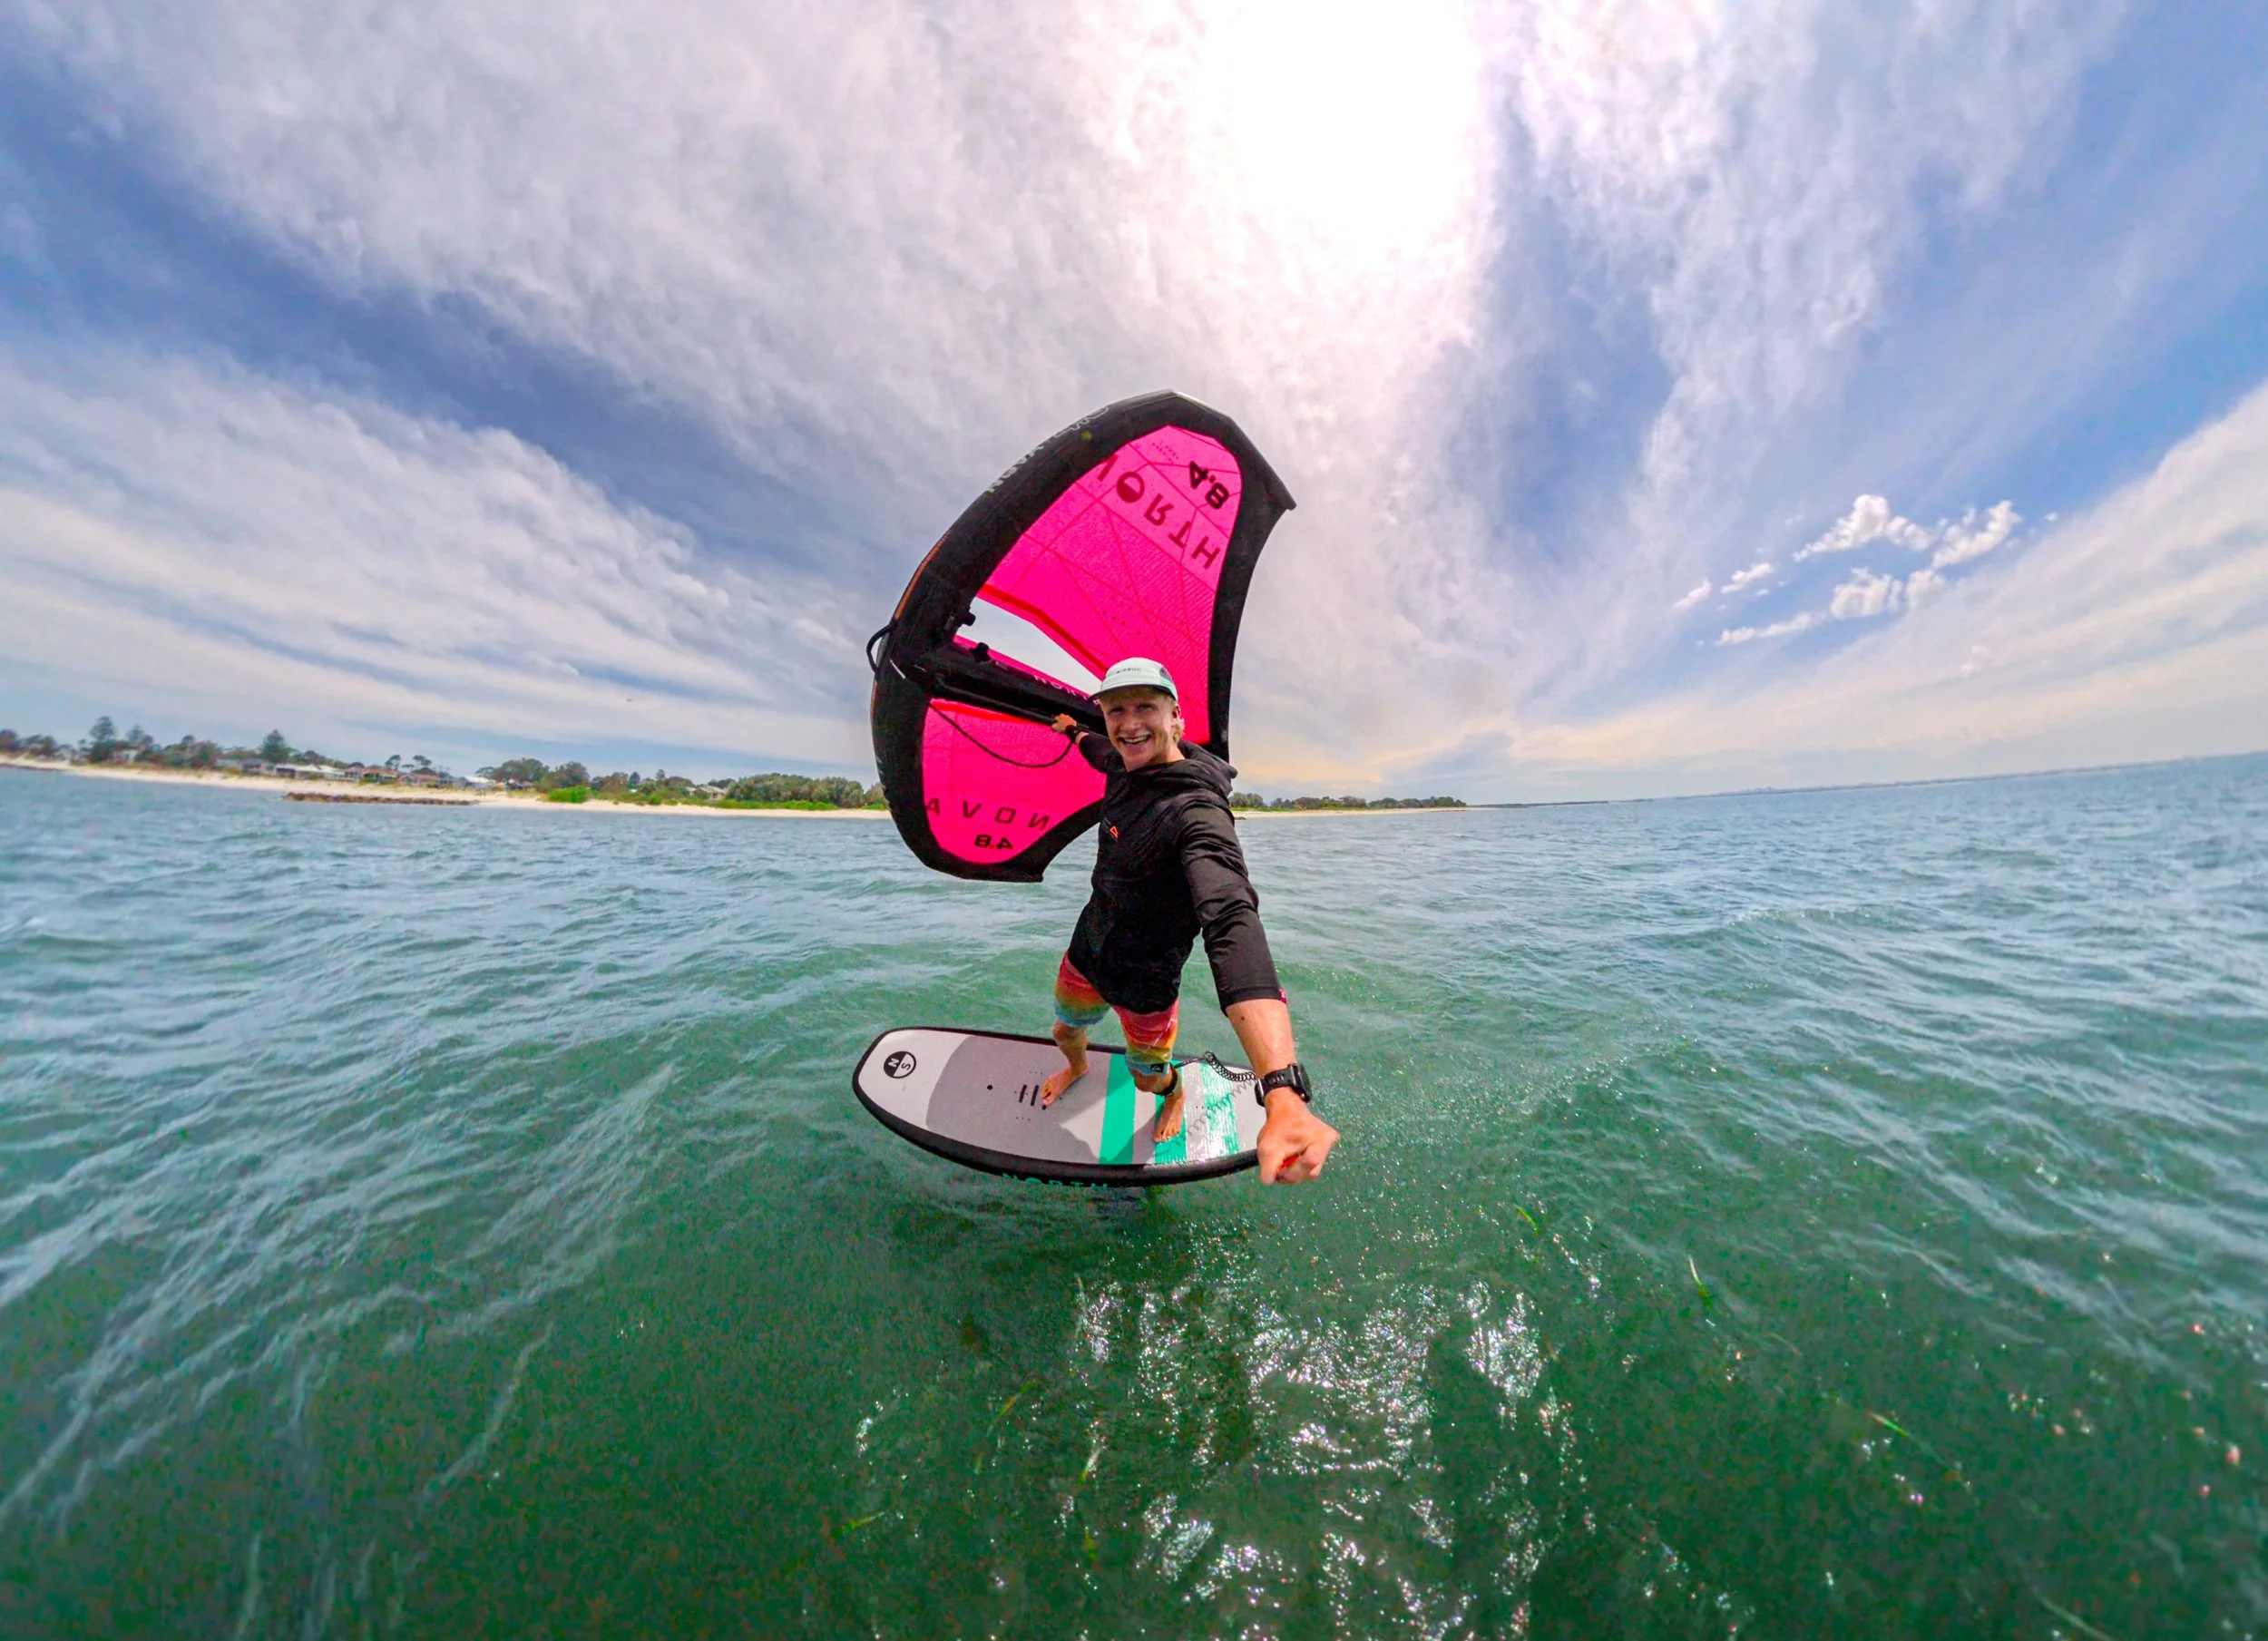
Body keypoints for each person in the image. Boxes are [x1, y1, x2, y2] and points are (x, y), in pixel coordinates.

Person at [1038, 657, 1339, 1185]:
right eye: (1117, 711)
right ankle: (1079, 1066)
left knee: (1147, 1078)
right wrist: (1072, 729)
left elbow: (1231, 918)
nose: (1129, 724)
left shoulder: (1195, 810)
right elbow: (1096, 749)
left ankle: (1174, 1093)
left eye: (1145, 708)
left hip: (1147, 980)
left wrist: (1282, 1089)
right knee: (1064, 1030)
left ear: (1175, 716)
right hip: (1087, 951)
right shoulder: (1120, 757)